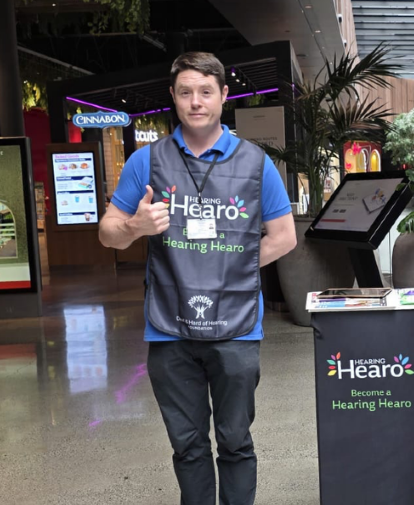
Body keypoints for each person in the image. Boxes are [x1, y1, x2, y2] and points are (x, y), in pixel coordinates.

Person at [99, 52, 297, 505]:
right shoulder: (145, 162)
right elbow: (108, 233)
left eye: (206, 92)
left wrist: (233, 269)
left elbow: (284, 238)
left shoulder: (256, 163)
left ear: (224, 96)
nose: (196, 102)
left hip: (237, 328)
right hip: (169, 330)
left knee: (234, 440)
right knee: (187, 445)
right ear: (173, 97)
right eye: (185, 92)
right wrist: (135, 227)